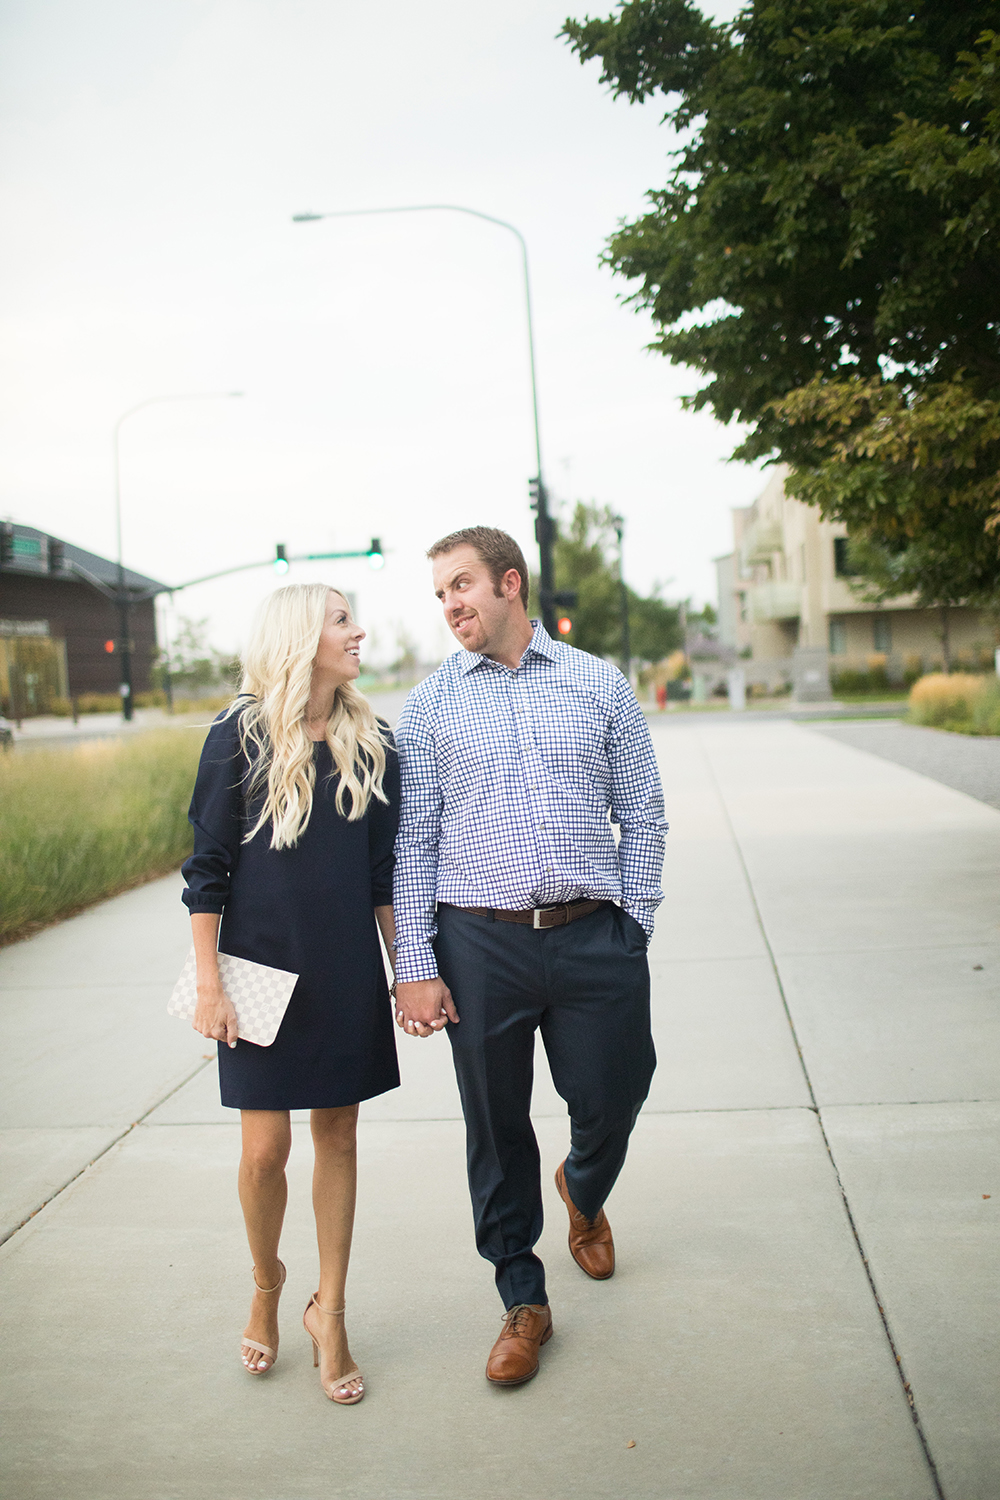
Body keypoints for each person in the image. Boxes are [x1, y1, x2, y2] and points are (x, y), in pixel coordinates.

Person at [392, 526, 665, 1386]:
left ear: (511, 584)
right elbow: (414, 849)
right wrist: (416, 963)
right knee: (495, 1124)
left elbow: (644, 814)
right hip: (478, 942)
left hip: (594, 934)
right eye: (439, 594)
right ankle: (523, 1297)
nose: (450, 605)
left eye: (462, 585)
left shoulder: (598, 685)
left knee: (618, 1091)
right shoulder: (431, 708)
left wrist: (635, 924)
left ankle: (583, 1189)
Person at [182, 582, 399, 1405]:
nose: (358, 632)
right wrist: (209, 985)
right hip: (256, 975)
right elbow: (205, 875)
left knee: (337, 1139)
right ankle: (268, 1283)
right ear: (302, 636)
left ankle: (331, 1313)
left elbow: (383, 877)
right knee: (264, 1152)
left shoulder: (373, 741)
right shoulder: (237, 736)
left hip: (344, 972)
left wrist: (404, 971)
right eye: (343, 620)